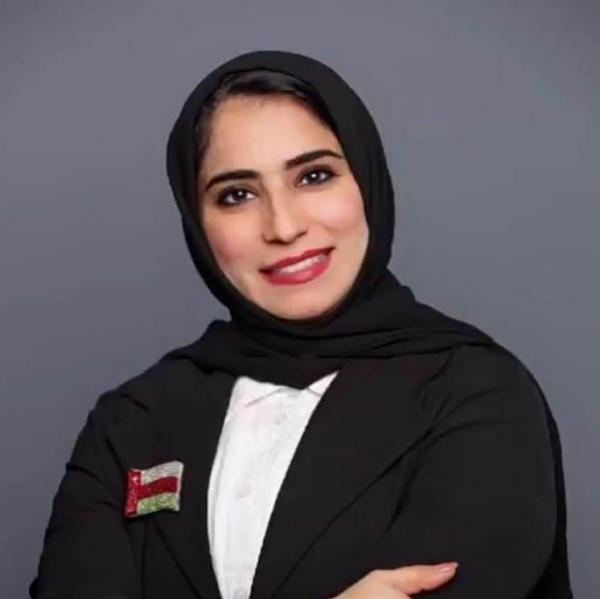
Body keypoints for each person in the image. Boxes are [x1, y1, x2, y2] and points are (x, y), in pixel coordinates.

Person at [29, 49, 573, 599]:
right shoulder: (133, 420)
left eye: (314, 176)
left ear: (366, 180)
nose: (284, 226)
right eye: (237, 195)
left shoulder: (477, 393)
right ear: (198, 222)